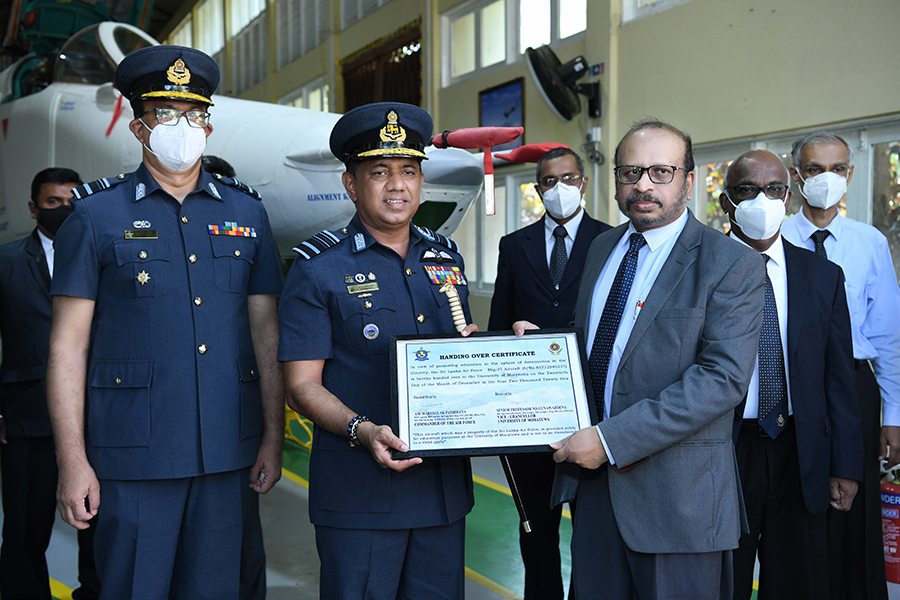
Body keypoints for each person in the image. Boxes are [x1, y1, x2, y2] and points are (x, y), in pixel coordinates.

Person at [46, 46, 285, 599]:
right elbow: (67, 347)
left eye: (195, 114)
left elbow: (265, 333)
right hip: (131, 456)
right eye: (167, 114)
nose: (184, 127)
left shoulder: (246, 214)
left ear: (208, 124)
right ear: (138, 127)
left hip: (229, 454)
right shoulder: (94, 215)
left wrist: (273, 437)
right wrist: (73, 461)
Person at [518, 119, 767, 599]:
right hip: (594, 494)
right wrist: (537, 346)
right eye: (630, 172)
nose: (643, 185)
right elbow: (600, 340)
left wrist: (609, 441)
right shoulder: (603, 246)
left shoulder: (731, 264)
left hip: (680, 504)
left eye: (660, 172)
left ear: (689, 180)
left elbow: (722, 379)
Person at [278, 102, 478, 599]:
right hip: (359, 496)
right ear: (350, 184)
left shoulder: (444, 258)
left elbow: (461, 347)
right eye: (380, 172)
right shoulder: (316, 268)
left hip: (441, 492)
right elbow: (301, 385)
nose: (397, 186)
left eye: (409, 171)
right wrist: (361, 430)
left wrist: (506, 352)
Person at [717, 150, 863, 599]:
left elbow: (840, 378)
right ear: (726, 202)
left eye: (774, 189)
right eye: (748, 189)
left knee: (799, 582)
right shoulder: (701, 272)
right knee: (725, 581)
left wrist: (845, 466)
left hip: (801, 452)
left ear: (789, 194)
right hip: (724, 452)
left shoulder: (822, 276)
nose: (764, 199)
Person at [781, 131, 900, 600]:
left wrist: (893, 416)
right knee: (798, 506)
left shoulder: (868, 242)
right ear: (796, 175)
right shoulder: (775, 237)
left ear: (849, 174)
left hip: (853, 385)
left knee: (854, 513)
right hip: (793, 386)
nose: (825, 178)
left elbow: (888, 336)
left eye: (836, 168)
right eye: (813, 169)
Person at [488, 144, 610, 600]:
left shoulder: (611, 240)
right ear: (537, 188)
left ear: (584, 180)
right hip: (528, 412)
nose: (560, 188)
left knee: (590, 530)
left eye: (569, 178)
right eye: (549, 181)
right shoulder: (512, 246)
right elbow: (501, 321)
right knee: (536, 527)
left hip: (588, 410)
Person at [0, 168, 100, 600]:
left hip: (97, 419)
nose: (62, 209)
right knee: (25, 531)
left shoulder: (102, 255)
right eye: (52, 202)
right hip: (26, 419)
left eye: (70, 201)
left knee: (98, 532)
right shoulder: (5, 261)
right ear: (32, 207)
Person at [200, 154, 266, 600]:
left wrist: (271, 439)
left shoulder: (249, 227)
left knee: (240, 554)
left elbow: (266, 336)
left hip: (236, 426)